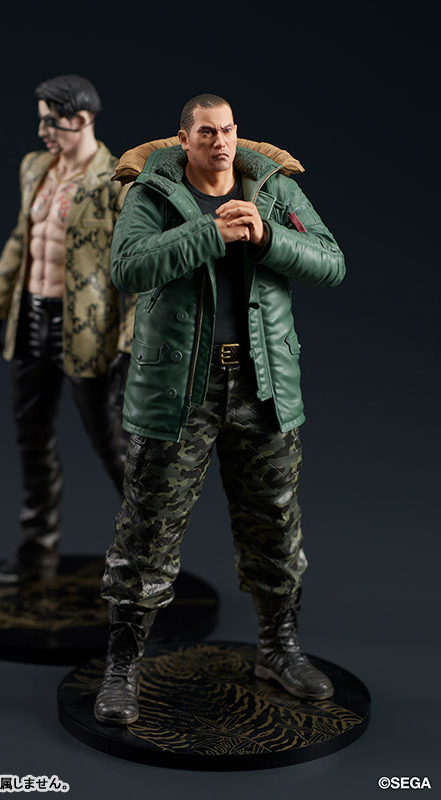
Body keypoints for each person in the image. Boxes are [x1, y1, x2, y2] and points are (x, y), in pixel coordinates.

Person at [93, 94, 346, 725]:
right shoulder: (153, 192)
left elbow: (332, 262)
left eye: (228, 130)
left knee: (275, 523)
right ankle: (121, 667)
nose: (220, 142)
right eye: (207, 132)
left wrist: (266, 236)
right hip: (179, 388)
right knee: (148, 528)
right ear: (184, 139)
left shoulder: (275, 189)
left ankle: (278, 649)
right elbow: (127, 267)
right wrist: (208, 233)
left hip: (262, 383)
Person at [0, 74, 134, 584]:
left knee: (112, 446)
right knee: (32, 439)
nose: (42, 131)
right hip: (32, 319)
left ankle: (147, 559)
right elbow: (22, 240)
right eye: (40, 120)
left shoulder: (119, 181)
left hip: (89, 331)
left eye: (50, 121)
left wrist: (129, 344)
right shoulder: (35, 168)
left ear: (81, 119)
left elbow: (142, 271)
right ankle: (36, 552)